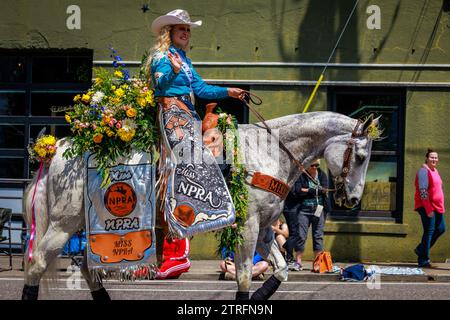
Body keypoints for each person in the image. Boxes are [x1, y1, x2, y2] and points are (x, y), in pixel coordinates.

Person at [284, 159, 330, 271]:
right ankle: (298, 261)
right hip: (304, 209)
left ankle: (317, 262)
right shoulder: (302, 176)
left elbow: (324, 189)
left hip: (319, 209)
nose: (315, 168)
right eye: (312, 165)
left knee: (318, 236)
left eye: (317, 165)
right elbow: (298, 191)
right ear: (307, 166)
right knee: (301, 235)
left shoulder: (322, 175)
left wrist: (308, 190)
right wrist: (315, 191)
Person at [414, 149, 445, 268]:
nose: (434, 159)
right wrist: (428, 209)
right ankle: (423, 260)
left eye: (436, 157)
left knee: (441, 229)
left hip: (437, 207)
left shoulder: (435, 171)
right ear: (426, 158)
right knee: (429, 231)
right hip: (427, 206)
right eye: (432, 157)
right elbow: (423, 191)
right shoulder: (423, 171)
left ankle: (421, 249)